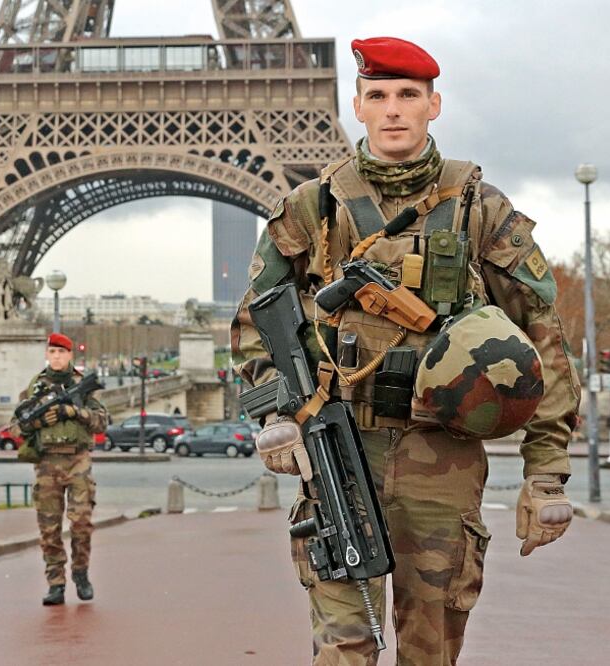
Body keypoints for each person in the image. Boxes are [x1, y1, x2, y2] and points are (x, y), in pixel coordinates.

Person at [231, 36, 581, 664]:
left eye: (408, 96)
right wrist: (275, 414)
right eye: (378, 96)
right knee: (344, 648)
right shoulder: (312, 208)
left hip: (440, 460)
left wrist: (546, 474)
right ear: (358, 106)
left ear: (433, 105)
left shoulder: (482, 209)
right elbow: (256, 318)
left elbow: (544, 339)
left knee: (430, 649)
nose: (393, 109)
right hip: (337, 450)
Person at [13, 333, 108, 605]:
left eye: (61, 352)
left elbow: (102, 422)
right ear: (47, 355)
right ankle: (55, 583)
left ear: (69, 355)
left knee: (81, 523)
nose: (56, 357)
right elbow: (16, 425)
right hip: (46, 463)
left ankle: (80, 573)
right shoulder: (35, 387)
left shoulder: (82, 385)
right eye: (52, 352)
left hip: (78, 460)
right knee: (49, 528)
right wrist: (38, 423)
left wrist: (74, 413)